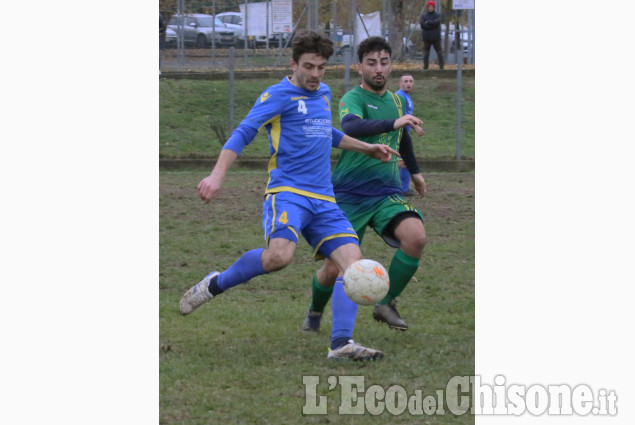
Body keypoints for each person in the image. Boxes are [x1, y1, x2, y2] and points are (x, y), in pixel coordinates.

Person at [179, 29, 399, 361]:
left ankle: (341, 344)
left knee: (351, 266)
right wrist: (216, 174)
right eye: (309, 67)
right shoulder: (277, 95)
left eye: (321, 67)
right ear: (294, 64)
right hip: (288, 194)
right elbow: (244, 132)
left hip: (324, 200)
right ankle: (216, 282)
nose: (315, 74)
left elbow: (326, 131)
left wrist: (367, 148)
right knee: (278, 258)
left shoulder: (323, 93)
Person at [301, 37, 427, 351]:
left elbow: (402, 137)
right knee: (334, 269)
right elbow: (351, 128)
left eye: (384, 62)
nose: (379, 68)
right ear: (360, 67)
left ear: (391, 65)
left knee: (416, 237)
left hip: (385, 193)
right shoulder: (352, 98)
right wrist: (395, 121)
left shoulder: (398, 101)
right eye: (372, 62)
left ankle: (385, 303)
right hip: (347, 195)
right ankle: (316, 310)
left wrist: (415, 171)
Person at [395, 74, 419, 197]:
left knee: (401, 162)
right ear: (400, 83)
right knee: (402, 162)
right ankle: (403, 189)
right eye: (405, 81)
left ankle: (401, 188)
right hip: (398, 133)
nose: (408, 83)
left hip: (403, 133)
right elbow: (402, 118)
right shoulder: (399, 97)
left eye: (410, 81)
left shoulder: (406, 96)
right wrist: (416, 127)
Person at [420, 1, 444, 70]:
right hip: (426, 38)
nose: (430, 8)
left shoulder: (437, 15)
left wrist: (428, 22)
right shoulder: (424, 15)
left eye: (432, 7)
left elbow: (437, 22)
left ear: (434, 7)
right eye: (429, 7)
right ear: (427, 8)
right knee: (426, 53)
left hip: (436, 38)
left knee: (439, 52)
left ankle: (441, 67)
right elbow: (422, 25)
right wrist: (432, 24)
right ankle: (425, 67)